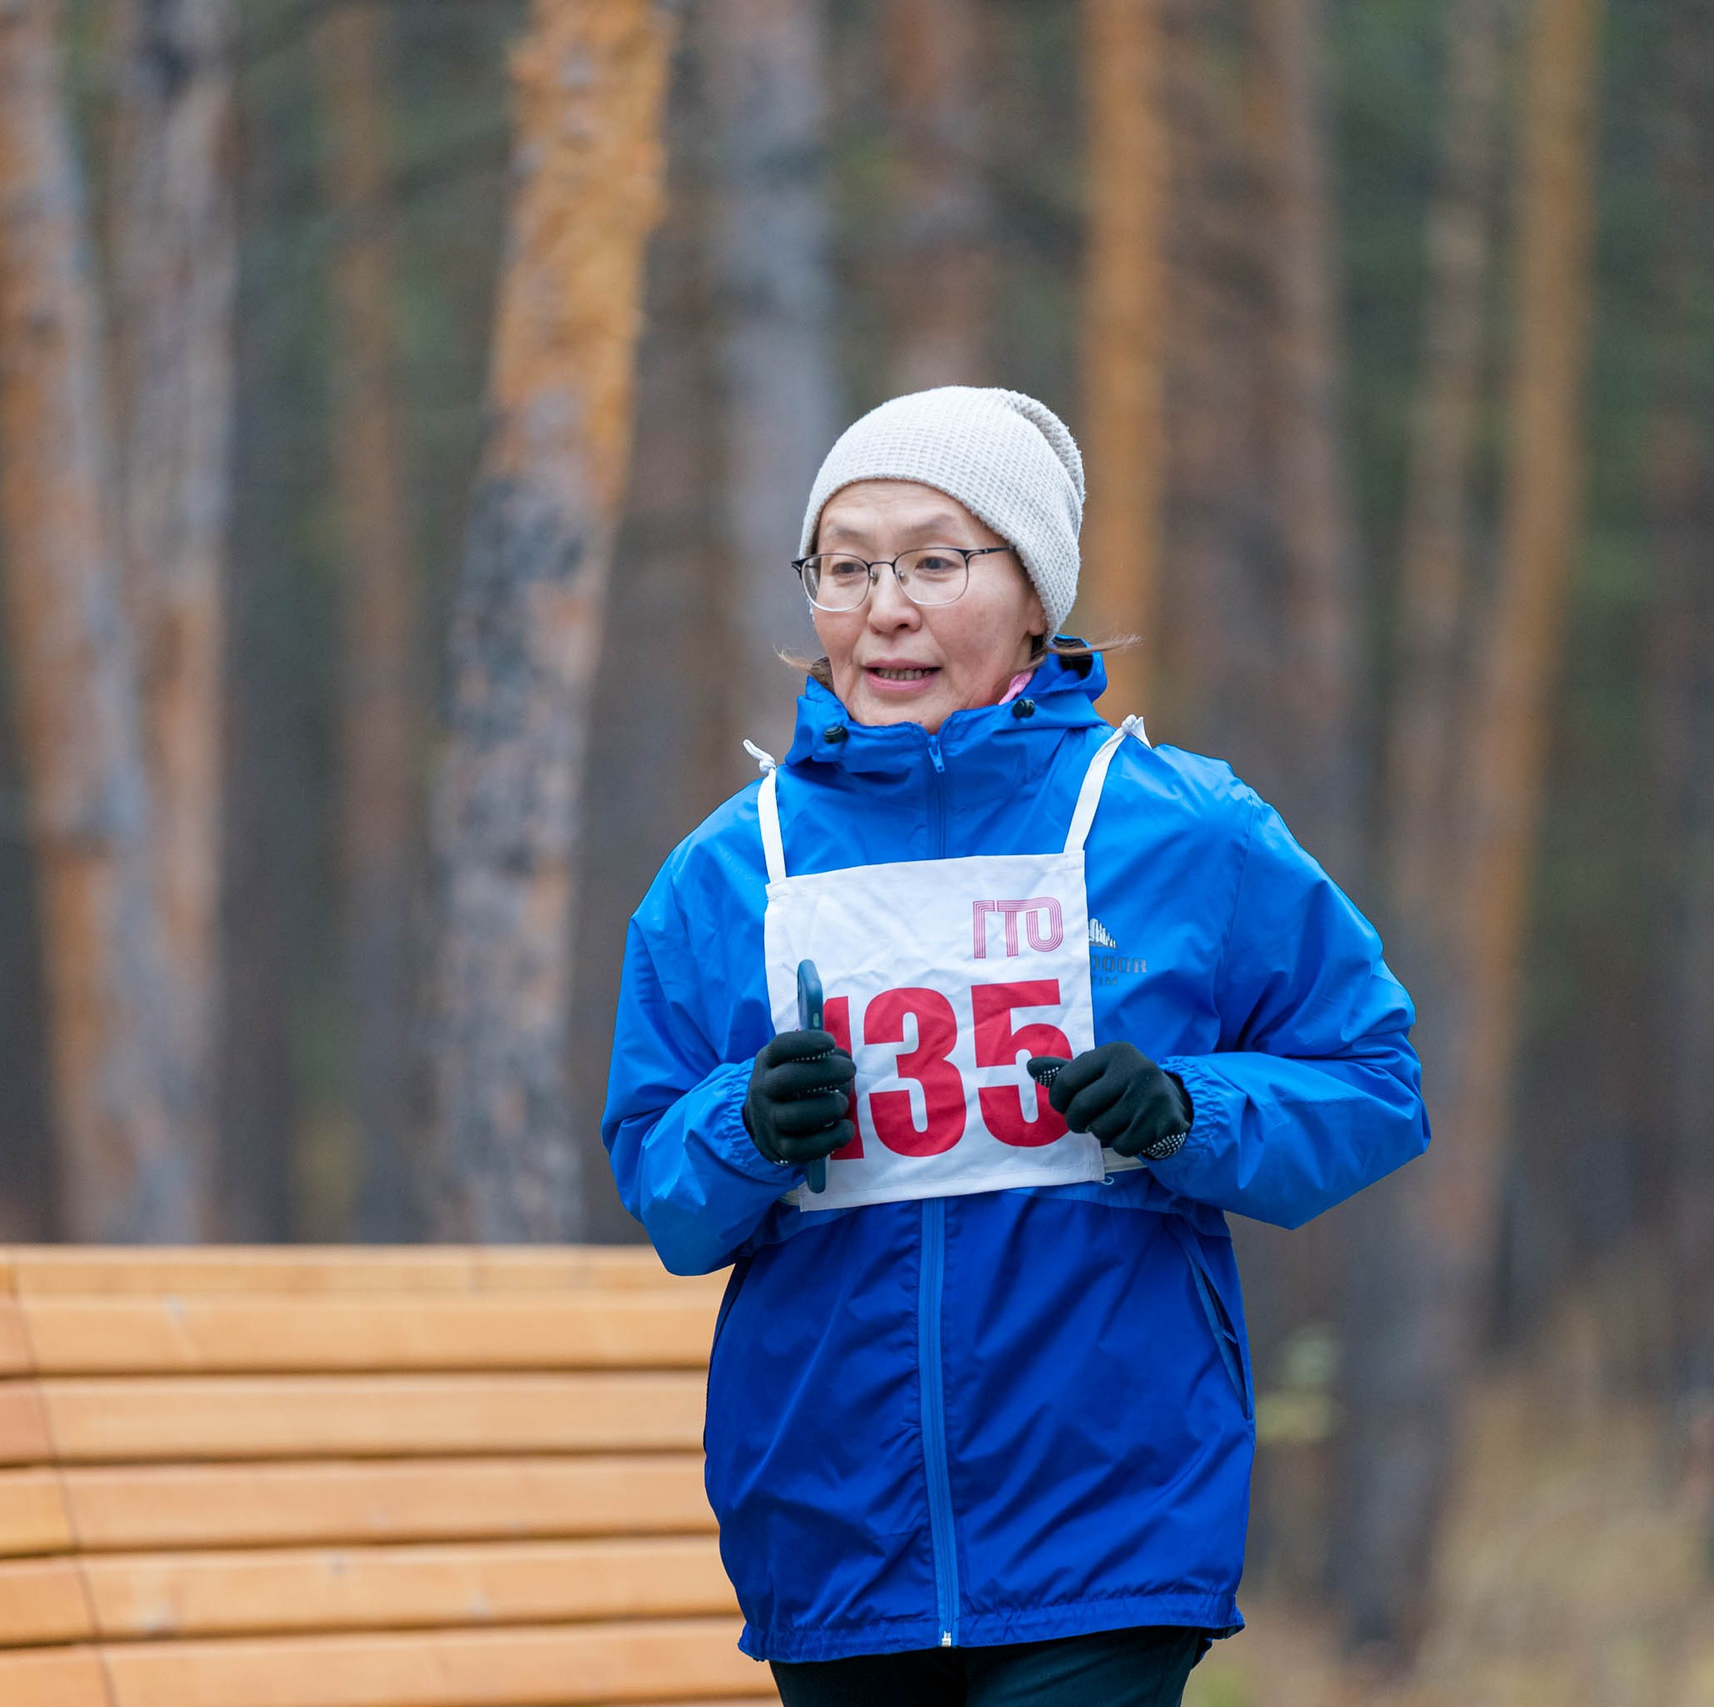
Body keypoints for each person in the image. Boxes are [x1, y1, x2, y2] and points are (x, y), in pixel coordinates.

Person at [601, 386, 1431, 1707]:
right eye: (847, 564)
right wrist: (743, 1127)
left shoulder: (1179, 829)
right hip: (830, 1541)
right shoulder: (726, 871)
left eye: (936, 560)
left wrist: (1187, 1110)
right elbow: (664, 1188)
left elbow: (1374, 1085)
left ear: (1037, 594)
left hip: (1109, 1526)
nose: (885, 606)